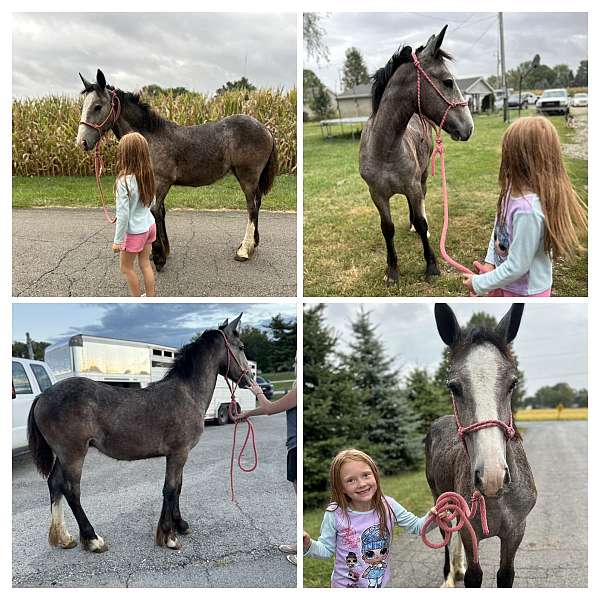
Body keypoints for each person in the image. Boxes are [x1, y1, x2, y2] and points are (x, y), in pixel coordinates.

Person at [462, 116, 587, 297]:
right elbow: (499, 232)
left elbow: (517, 266)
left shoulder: (528, 210)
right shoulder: (511, 191)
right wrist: (490, 263)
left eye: (506, 150)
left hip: (525, 293)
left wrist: (480, 283)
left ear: (518, 158)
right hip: (503, 281)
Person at [303, 449, 440, 588]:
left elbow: (417, 527)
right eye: (351, 480)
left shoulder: (388, 506)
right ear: (341, 487)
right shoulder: (335, 513)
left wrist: (434, 518)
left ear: (375, 475)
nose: (361, 484)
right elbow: (326, 550)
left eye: (366, 475)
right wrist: (308, 545)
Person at [240, 379, 297, 565]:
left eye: (297, 361)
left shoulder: (299, 391)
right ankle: (299, 543)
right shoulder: (295, 391)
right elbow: (273, 407)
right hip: (293, 448)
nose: (294, 364)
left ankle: (301, 550)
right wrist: (248, 412)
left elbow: (270, 408)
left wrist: (258, 392)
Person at [111, 132, 157, 297]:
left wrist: (117, 241)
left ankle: (136, 300)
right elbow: (152, 203)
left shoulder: (123, 182)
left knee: (126, 268)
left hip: (134, 232)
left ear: (125, 155)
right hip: (149, 226)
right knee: (145, 263)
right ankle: (150, 298)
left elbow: (123, 215)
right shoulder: (149, 177)